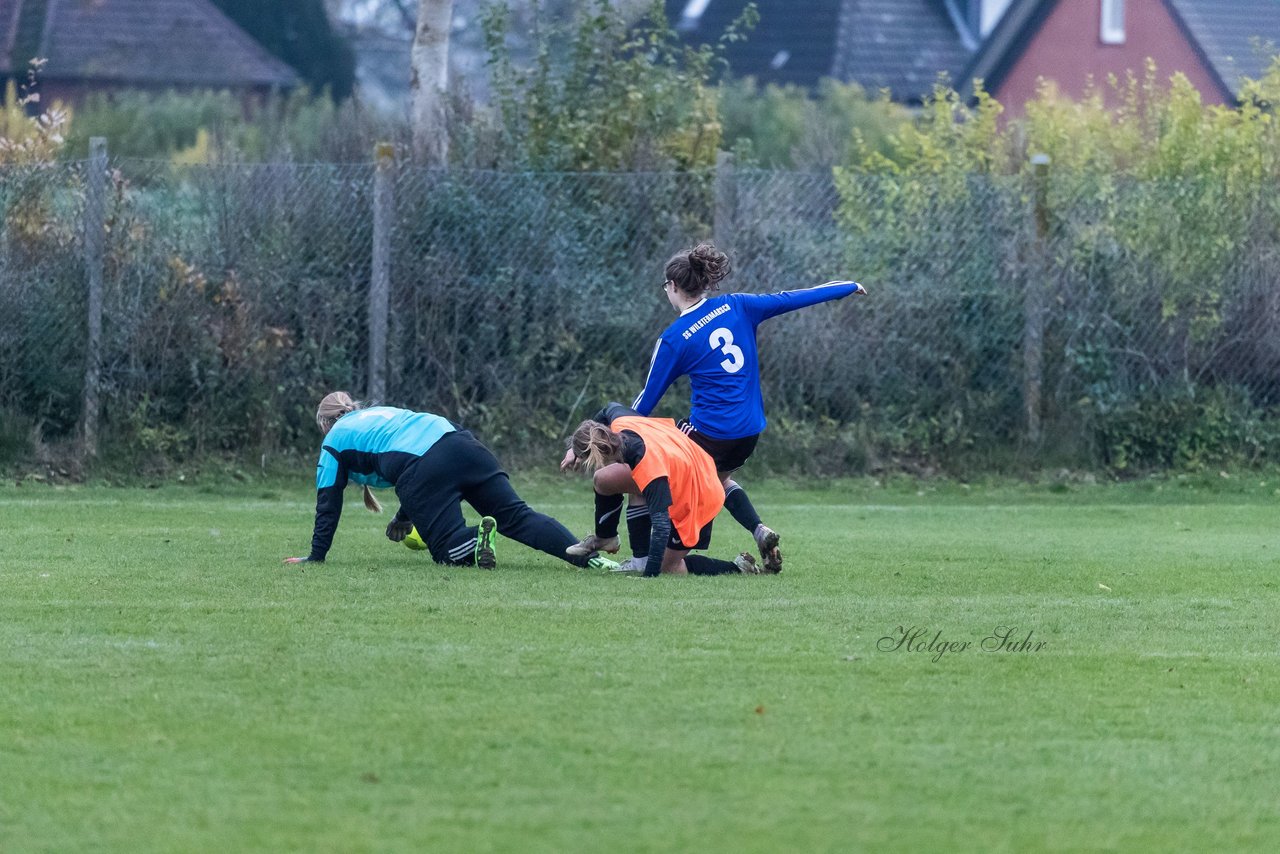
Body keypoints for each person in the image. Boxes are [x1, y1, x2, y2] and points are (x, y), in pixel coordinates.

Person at [568, 242, 866, 573]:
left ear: (674, 286)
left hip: (709, 433)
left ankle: (638, 557)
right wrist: (845, 287)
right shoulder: (737, 306)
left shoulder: (676, 338)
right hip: (748, 432)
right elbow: (789, 298)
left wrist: (598, 441)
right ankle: (758, 530)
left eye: (665, 286)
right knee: (713, 482)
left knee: (638, 471)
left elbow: (642, 405)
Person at [284, 392, 619, 571]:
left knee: (445, 551)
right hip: (464, 445)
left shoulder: (333, 440)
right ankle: (586, 557)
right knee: (517, 517)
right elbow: (408, 450)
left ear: (325, 423)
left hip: (427, 465)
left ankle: (476, 539)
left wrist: (316, 556)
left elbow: (328, 501)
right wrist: (404, 517)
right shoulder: (380, 414)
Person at [565, 403, 764, 577]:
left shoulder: (647, 465)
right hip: (692, 465)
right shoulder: (620, 423)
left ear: (596, 456)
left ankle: (740, 567)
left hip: (702, 492)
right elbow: (607, 408)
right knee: (604, 479)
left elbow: (661, 526)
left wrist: (649, 576)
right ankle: (609, 539)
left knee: (669, 568)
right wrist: (575, 450)